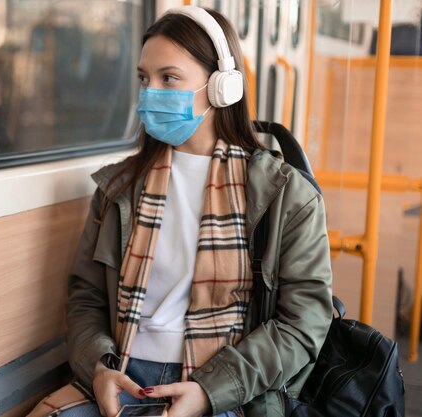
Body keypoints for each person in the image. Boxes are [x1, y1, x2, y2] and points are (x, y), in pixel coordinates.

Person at [28, 6, 332, 417]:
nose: (150, 92)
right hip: (121, 378)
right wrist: (99, 368)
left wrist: (209, 392)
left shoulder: (286, 196)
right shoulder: (117, 189)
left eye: (168, 78)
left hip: (225, 389)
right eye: (143, 79)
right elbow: (86, 299)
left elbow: (302, 325)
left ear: (222, 87)